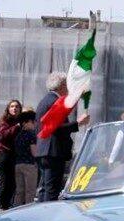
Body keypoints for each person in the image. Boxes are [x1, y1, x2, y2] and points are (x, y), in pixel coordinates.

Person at [35, 72, 89, 201]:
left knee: (45, 188)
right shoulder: (53, 101)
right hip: (53, 152)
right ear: (62, 85)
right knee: (52, 190)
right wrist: (78, 123)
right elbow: (55, 128)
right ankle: (48, 217)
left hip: (45, 151)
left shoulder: (47, 100)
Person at [0, 100, 22, 209]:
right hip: (4, 155)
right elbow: (4, 134)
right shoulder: (4, 120)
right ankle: (3, 205)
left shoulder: (21, 121)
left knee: (14, 184)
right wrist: (17, 127)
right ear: (8, 108)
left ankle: (9, 205)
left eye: (17, 107)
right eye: (12, 106)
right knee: (6, 183)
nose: (14, 108)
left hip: (16, 156)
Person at [13, 110, 38, 206]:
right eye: (33, 122)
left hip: (18, 164)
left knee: (19, 191)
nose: (35, 124)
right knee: (30, 191)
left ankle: (15, 211)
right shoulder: (31, 135)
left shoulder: (18, 136)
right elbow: (34, 152)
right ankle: (29, 211)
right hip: (29, 165)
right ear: (25, 123)